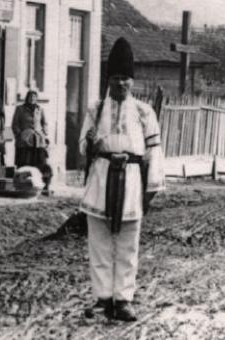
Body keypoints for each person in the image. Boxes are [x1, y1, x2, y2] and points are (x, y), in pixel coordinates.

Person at [79, 37, 164, 323]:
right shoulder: (95, 108)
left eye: (126, 79)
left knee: (128, 243)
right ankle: (103, 299)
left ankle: (123, 299)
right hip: (101, 178)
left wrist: (151, 188)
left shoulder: (144, 112)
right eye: (116, 79)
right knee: (100, 241)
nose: (121, 85)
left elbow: (154, 152)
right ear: (108, 80)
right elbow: (82, 145)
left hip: (130, 181)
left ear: (133, 81)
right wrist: (90, 142)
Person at [12, 90, 53, 195]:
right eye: (30, 97)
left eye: (34, 97)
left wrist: (44, 133)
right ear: (27, 98)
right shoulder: (20, 109)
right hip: (24, 142)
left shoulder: (40, 109)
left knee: (40, 163)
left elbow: (45, 123)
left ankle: (43, 186)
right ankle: (22, 186)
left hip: (38, 141)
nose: (32, 99)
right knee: (24, 163)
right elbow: (15, 124)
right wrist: (20, 135)